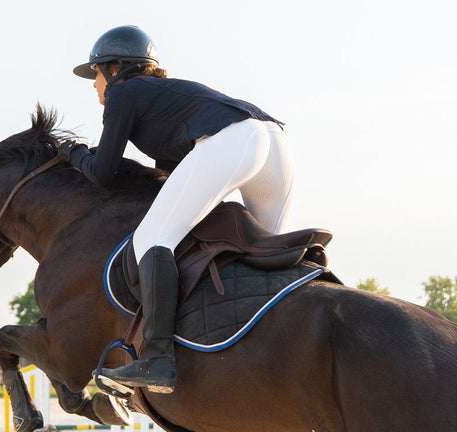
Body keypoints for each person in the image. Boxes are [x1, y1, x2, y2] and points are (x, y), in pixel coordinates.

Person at [62, 25, 294, 394]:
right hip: (274, 143)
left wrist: (72, 153)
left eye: (96, 74)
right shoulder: (161, 101)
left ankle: (157, 359)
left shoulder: (124, 93)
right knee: (269, 254)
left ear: (116, 68)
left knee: (153, 238)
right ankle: (283, 347)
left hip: (236, 140)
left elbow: (102, 174)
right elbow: (172, 177)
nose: (94, 85)